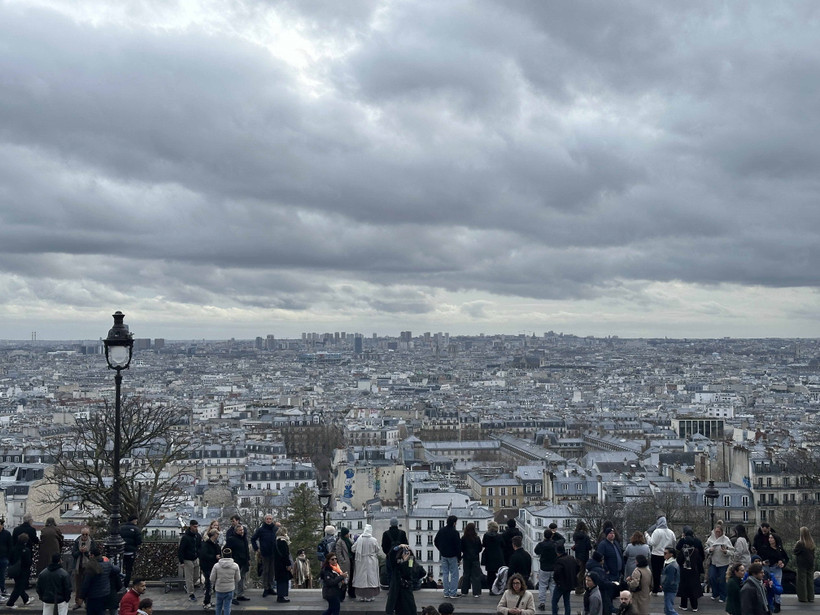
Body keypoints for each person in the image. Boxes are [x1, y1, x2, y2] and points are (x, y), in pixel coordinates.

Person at [80, 545, 118, 615]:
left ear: (92, 556)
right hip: (105, 594)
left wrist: (81, 596)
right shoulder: (107, 565)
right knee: (101, 611)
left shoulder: (90, 567)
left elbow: (86, 584)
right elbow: (116, 569)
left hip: (93, 596)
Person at [756, 531, 786, 612]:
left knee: (777, 585)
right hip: (767, 568)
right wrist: (763, 562)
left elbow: (785, 558)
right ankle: (769, 603)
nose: (770, 539)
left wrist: (782, 563)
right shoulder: (765, 548)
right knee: (767, 584)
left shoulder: (780, 549)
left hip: (777, 568)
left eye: (772, 538)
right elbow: (761, 558)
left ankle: (777, 603)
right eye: (769, 538)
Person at [675, 526, 704, 613]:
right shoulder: (696, 550)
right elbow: (700, 558)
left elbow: (679, 560)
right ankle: (694, 606)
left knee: (684, 587)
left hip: (684, 571)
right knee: (693, 588)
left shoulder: (683, 550)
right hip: (694, 571)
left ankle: (683, 605)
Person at [390, 545, 426, 615]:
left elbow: (407, 573)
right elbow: (391, 555)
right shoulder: (406, 563)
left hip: (404, 591)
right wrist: (399, 546)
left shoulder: (406, 564)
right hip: (404, 591)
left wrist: (405, 561)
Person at [251, 514, 278, 597]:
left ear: (272, 520)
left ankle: (271, 587)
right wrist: (256, 549)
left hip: (274, 552)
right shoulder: (261, 530)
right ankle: (266, 588)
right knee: (266, 571)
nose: (268, 520)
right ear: (265, 520)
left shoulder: (275, 529)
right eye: (267, 519)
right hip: (265, 553)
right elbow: (253, 539)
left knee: (272, 571)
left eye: (270, 519)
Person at [645, 516, 675, 595]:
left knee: (656, 573)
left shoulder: (656, 531)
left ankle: (655, 589)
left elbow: (652, 543)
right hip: (668, 555)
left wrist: (647, 536)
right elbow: (674, 542)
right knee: (668, 573)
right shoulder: (671, 532)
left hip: (656, 554)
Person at [705, 522, 733, 603]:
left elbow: (732, 552)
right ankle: (715, 593)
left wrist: (726, 551)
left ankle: (723, 596)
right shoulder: (710, 539)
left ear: (722, 532)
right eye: (716, 531)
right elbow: (705, 548)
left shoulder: (726, 539)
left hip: (724, 563)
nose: (717, 533)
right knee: (712, 577)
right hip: (713, 562)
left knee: (722, 580)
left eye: (719, 532)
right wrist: (709, 550)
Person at [434, 515, 461, 600]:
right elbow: (458, 546)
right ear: (454, 523)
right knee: (454, 575)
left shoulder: (441, 530)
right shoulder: (455, 532)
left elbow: (435, 541)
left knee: (445, 574)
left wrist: (441, 549)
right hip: (453, 556)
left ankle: (446, 592)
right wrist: (459, 558)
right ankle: (453, 593)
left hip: (444, 555)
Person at [596, 527, 623, 612]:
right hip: (609, 573)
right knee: (608, 593)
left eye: (613, 533)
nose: (612, 535)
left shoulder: (615, 543)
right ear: (607, 535)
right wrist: (606, 569)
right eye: (610, 533)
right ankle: (608, 609)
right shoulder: (603, 544)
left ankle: (610, 608)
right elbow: (600, 557)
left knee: (613, 592)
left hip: (617, 572)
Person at [351, 524, 379, 601]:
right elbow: (377, 549)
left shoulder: (359, 540)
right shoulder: (373, 540)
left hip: (361, 560)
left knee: (361, 579)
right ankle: (370, 596)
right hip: (371, 560)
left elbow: (353, 549)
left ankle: (362, 596)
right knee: (371, 578)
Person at [210, 547, 240, 615]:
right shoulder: (235, 566)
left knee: (218, 606)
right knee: (227, 606)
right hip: (230, 589)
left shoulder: (216, 566)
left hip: (219, 589)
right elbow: (238, 579)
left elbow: (212, 578)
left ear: (222, 555)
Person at [71, 527, 96, 610]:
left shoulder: (92, 542)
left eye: (86, 534)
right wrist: (79, 551)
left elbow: (93, 555)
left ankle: (87, 602)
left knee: (88, 584)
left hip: (88, 566)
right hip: (78, 566)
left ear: (88, 534)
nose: (84, 536)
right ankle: (78, 602)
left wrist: (86, 552)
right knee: (78, 585)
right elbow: (73, 554)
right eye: (83, 534)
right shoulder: (77, 541)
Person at [225, 523, 250, 604]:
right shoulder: (232, 539)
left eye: (242, 530)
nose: (242, 531)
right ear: (236, 531)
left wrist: (248, 559)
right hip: (236, 562)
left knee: (242, 578)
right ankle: (233, 596)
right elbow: (226, 549)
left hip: (244, 561)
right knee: (235, 579)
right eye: (240, 530)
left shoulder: (244, 538)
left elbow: (246, 550)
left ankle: (240, 594)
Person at [6, 533, 33, 608]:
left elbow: (10, 559)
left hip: (14, 570)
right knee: (18, 588)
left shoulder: (13, 549)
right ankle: (10, 603)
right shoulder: (26, 550)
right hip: (23, 571)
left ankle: (26, 599)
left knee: (19, 585)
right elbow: (28, 562)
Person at [178, 519, 202, 602]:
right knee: (189, 578)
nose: (196, 528)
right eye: (194, 527)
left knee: (196, 576)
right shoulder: (185, 537)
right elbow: (181, 550)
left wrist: (199, 554)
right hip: (187, 559)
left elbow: (200, 546)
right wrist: (181, 561)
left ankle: (188, 587)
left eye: (197, 527)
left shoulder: (198, 536)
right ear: (191, 526)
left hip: (195, 558)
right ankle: (191, 594)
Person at [534, 528, 558, 610]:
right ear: (551, 536)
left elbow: (536, 551)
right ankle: (554, 603)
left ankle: (542, 603)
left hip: (544, 568)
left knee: (542, 586)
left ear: (544, 536)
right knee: (553, 586)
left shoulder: (541, 544)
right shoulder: (555, 544)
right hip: (553, 568)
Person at [552, 544, 578, 615]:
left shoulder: (559, 561)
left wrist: (557, 581)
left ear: (557, 552)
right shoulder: (571, 558)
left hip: (561, 584)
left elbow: (556, 573)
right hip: (570, 583)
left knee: (554, 601)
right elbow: (577, 568)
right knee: (567, 601)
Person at [200, 528, 222, 609]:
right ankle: (206, 602)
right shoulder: (206, 544)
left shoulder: (214, 544)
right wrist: (214, 557)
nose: (218, 535)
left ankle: (208, 600)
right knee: (209, 585)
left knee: (210, 585)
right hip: (207, 567)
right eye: (217, 534)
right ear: (214, 535)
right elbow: (204, 555)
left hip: (212, 566)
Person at [794, 525, 816, 603]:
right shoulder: (811, 543)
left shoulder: (800, 543)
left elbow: (795, 551)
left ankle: (803, 597)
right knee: (810, 580)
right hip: (810, 563)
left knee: (802, 580)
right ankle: (811, 597)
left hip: (802, 564)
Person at [119, 515, 142, 589]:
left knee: (120, 568)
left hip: (121, 551)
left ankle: (119, 585)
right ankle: (126, 585)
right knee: (128, 570)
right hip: (131, 552)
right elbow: (139, 541)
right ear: (134, 520)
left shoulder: (121, 528)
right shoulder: (136, 529)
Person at [460, 522, 482, 597]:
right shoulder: (477, 538)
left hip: (466, 558)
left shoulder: (463, 538)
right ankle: (476, 592)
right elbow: (480, 548)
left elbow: (461, 548)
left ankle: (464, 591)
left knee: (466, 575)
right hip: (475, 559)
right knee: (476, 576)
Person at [483, 520, 505, 594]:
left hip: (489, 557)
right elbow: (503, 545)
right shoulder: (499, 536)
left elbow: (484, 544)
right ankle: (498, 589)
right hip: (498, 556)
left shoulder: (486, 536)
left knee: (490, 574)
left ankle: (491, 590)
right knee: (499, 574)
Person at [572, 522, 593, 594]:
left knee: (578, 571)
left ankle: (578, 587)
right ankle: (580, 587)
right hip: (584, 556)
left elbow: (577, 546)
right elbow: (589, 547)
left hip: (577, 556)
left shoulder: (575, 536)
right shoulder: (586, 536)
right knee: (582, 572)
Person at [273, 525, 292, 602]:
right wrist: (288, 564)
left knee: (279, 581)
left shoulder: (276, 541)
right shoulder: (283, 542)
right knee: (283, 580)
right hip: (283, 564)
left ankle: (280, 595)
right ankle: (282, 596)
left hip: (277, 564)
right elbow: (285, 554)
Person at [335, 527, 355, 599]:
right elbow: (338, 553)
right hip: (345, 563)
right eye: (347, 533)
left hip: (351, 561)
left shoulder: (350, 540)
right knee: (345, 578)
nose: (348, 535)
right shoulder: (340, 542)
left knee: (352, 577)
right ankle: (342, 595)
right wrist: (342, 561)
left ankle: (351, 592)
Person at [660, 547, 679, 615]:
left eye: (665, 553)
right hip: (671, 587)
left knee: (668, 609)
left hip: (670, 588)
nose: (664, 555)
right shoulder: (671, 563)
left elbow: (669, 579)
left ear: (671, 554)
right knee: (667, 608)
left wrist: (663, 586)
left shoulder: (671, 566)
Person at [0, 519, 11, 599]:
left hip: (4, 557)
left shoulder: (7, 534)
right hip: (3, 556)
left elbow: (10, 545)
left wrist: (8, 556)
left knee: (2, 575)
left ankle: (3, 589)